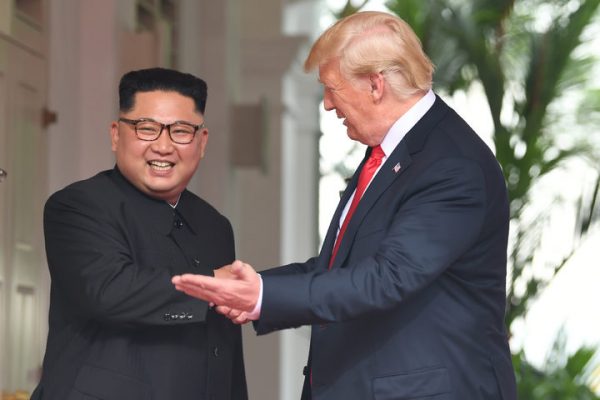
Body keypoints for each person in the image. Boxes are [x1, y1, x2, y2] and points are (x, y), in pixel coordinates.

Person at [173, 11, 517, 400]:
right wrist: (253, 287)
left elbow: (387, 278)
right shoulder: (389, 153)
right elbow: (340, 268)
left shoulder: (452, 164)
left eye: (332, 88)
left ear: (375, 84)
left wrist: (262, 296)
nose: (326, 105)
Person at [32, 68, 247, 400]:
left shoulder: (214, 225)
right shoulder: (78, 206)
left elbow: (223, 346)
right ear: (116, 135)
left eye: (180, 131)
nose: (163, 146)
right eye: (146, 129)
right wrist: (211, 287)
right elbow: (108, 291)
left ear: (202, 142)